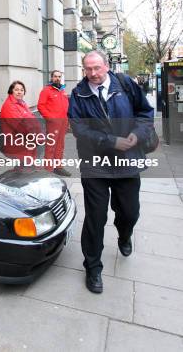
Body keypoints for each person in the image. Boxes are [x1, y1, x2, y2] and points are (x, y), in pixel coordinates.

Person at [68, 50, 154, 295]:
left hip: (127, 160)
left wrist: (137, 135)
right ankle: (93, 267)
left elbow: (146, 114)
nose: (93, 74)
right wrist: (110, 141)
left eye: (97, 68)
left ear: (107, 66)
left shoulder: (125, 84)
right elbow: (79, 128)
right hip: (95, 163)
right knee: (95, 218)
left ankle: (124, 234)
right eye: (88, 69)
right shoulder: (78, 94)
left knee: (129, 212)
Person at [37, 70, 70, 176]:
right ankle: (48, 169)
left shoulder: (62, 90)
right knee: (51, 145)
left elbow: (66, 106)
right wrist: (50, 118)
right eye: (55, 76)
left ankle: (58, 167)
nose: (57, 78)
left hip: (63, 122)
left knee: (60, 145)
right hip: (53, 123)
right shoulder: (46, 90)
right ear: (51, 78)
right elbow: (40, 106)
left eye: (59, 77)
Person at [0, 81, 41, 164]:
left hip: (28, 142)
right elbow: (19, 126)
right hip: (18, 145)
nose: (19, 92)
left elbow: (32, 119)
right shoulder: (9, 105)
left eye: (22, 90)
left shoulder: (22, 103)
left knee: (30, 169)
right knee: (23, 171)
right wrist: (35, 137)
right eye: (16, 90)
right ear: (11, 91)